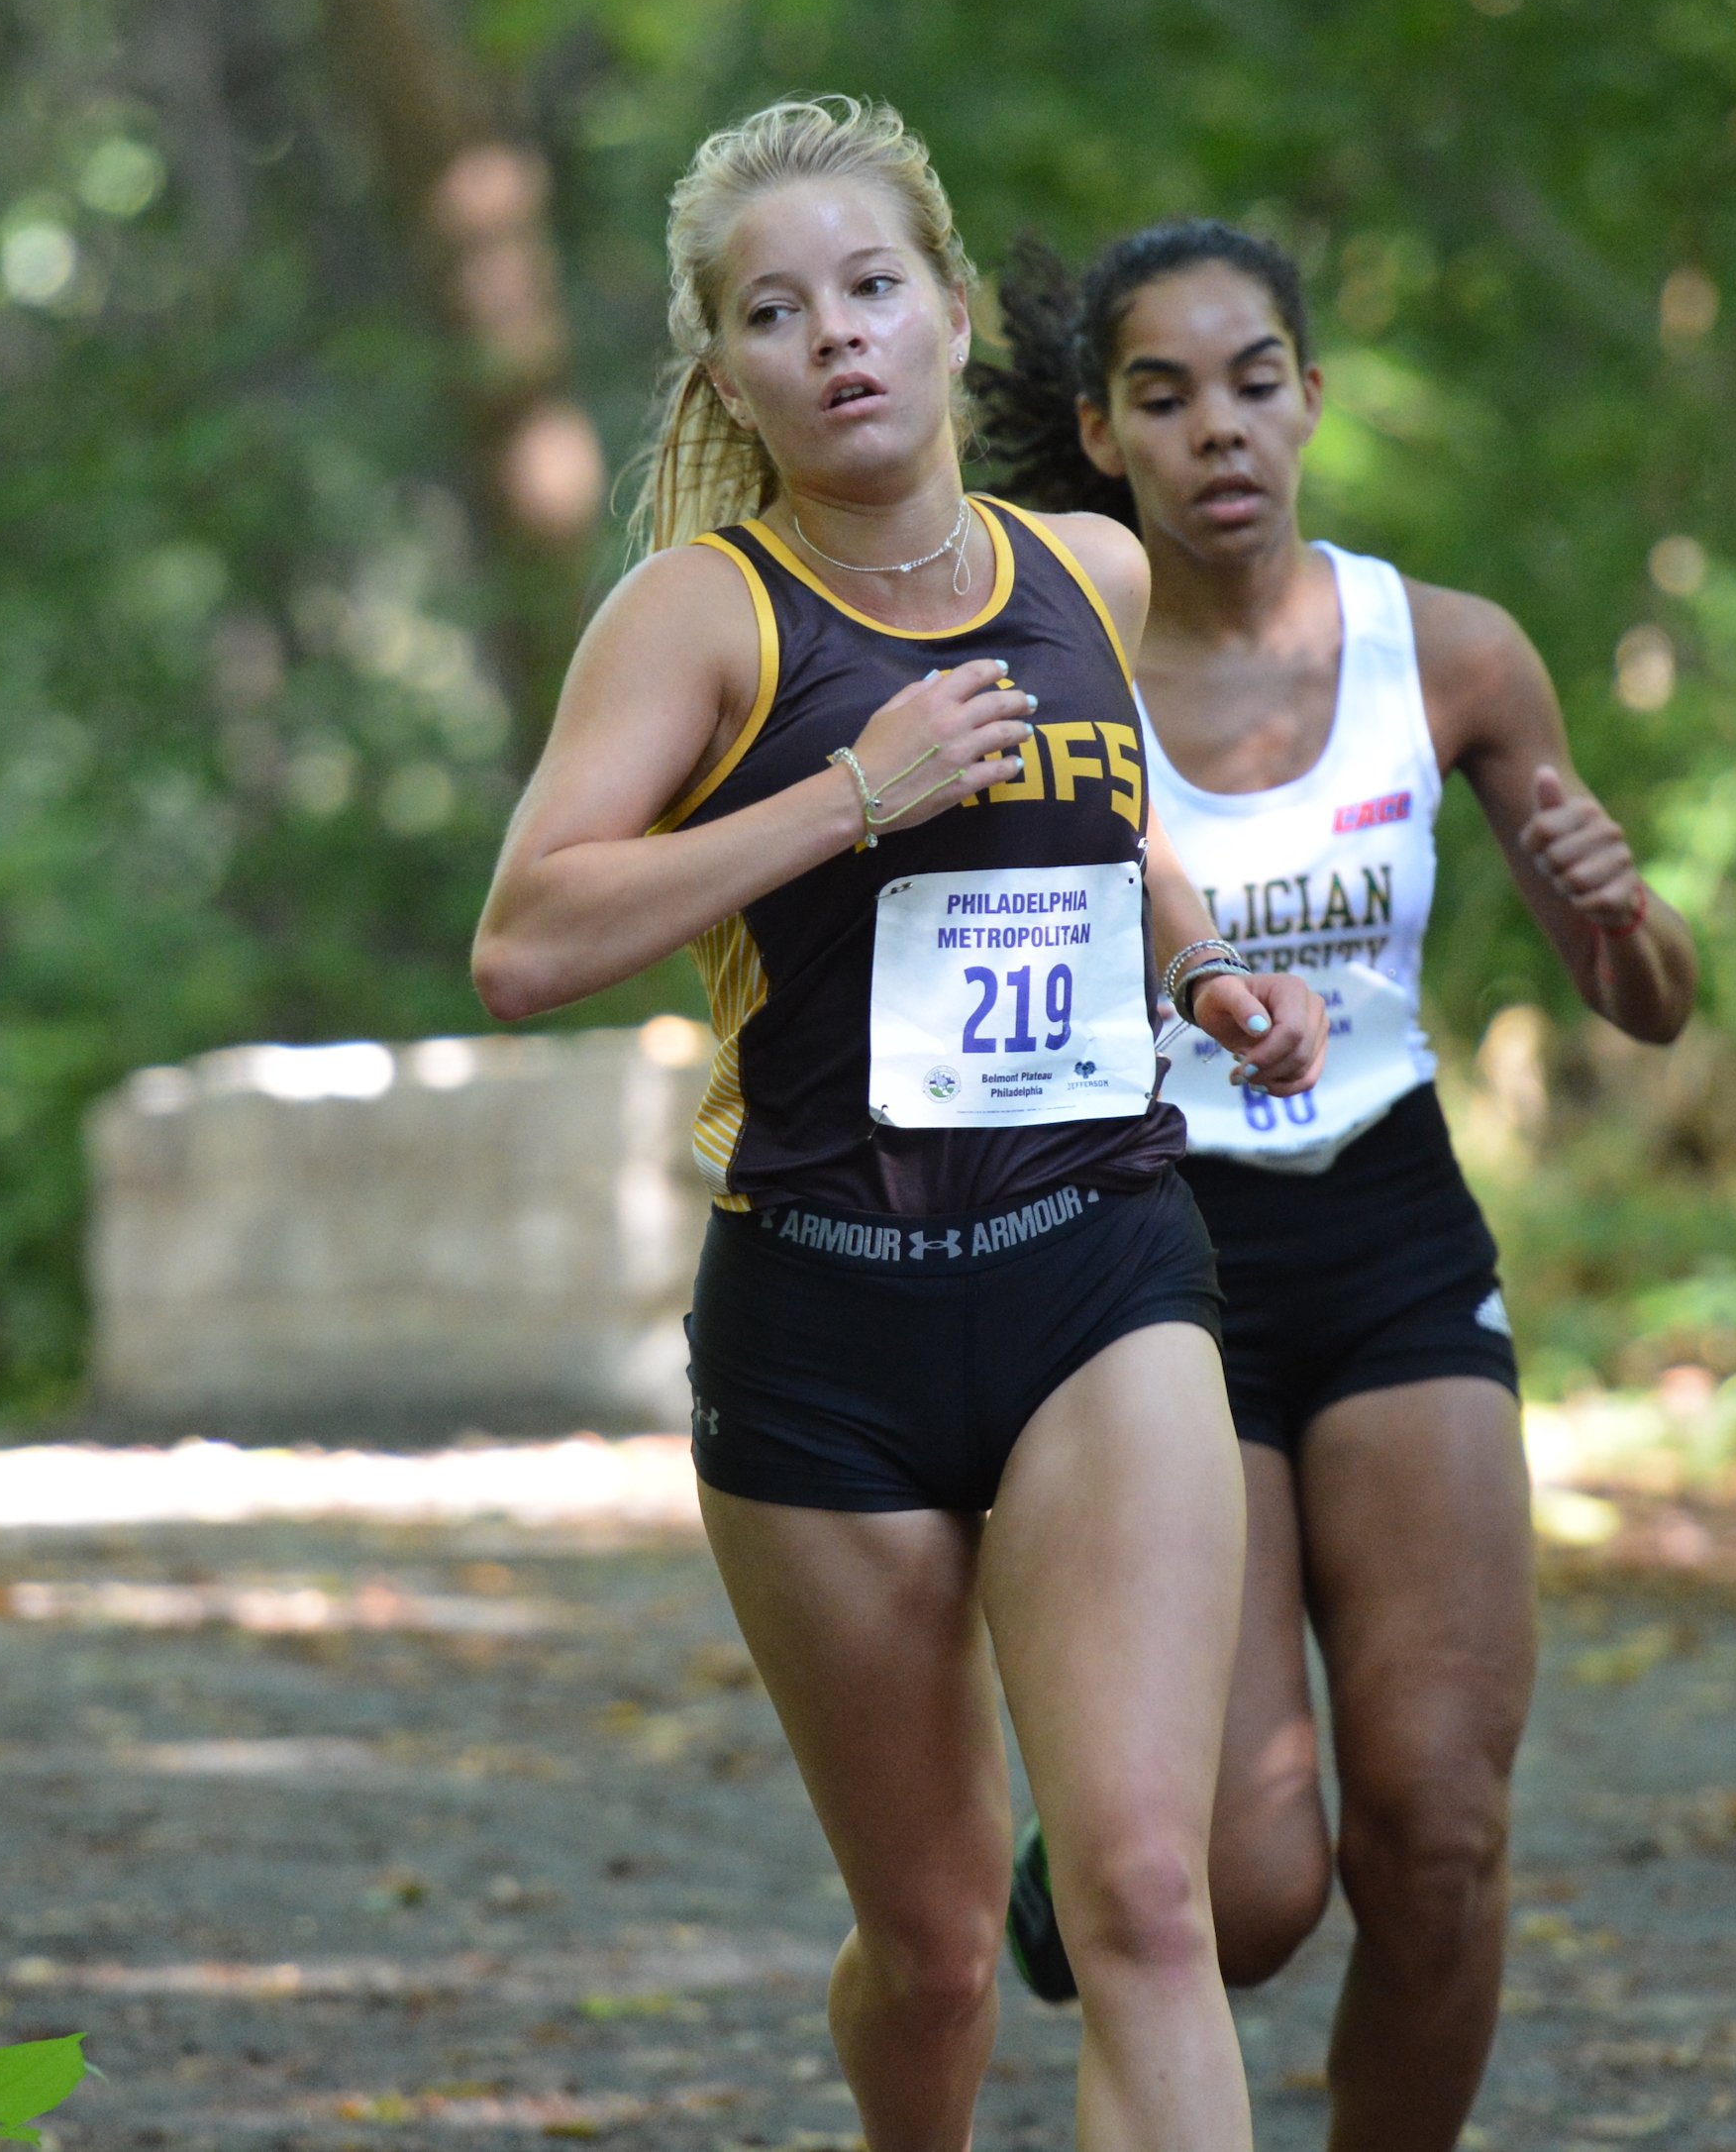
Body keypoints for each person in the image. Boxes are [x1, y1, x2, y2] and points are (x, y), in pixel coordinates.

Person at [473, 103, 1332, 2152]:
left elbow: (1102, 836)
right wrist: (846, 794)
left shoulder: (1089, 570)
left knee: (1144, 1891)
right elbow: (520, 938)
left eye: (869, 289)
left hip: (1094, 1263)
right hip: (821, 1322)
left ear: (948, 317)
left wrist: (1207, 969)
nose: (835, 337)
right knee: (937, 1949)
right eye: (775, 313)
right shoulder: (699, 616)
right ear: (724, 374)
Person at [971, 222, 1699, 2152]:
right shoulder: (1050, 671)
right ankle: (1080, 1850)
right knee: (1258, 1885)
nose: (1218, 426)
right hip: (1147, 1253)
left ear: (1310, 396)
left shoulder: (1444, 652)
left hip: (1385, 1228)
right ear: (1098, 433)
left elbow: (1638, 1001)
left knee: (1440, 1826)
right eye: (1162, 391)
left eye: (1253, 376)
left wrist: (1619, 907)